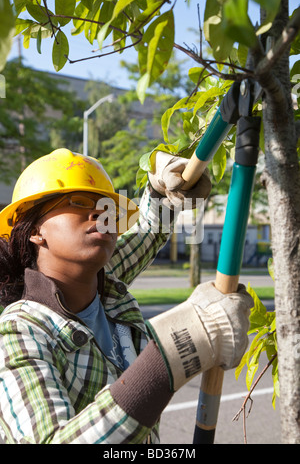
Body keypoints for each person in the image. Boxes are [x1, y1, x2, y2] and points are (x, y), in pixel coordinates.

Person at [0, 148, 253, 444]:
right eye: (79, 202)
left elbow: (148, 231)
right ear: (35, 230)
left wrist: (162, 191)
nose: (101, 214)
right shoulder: (19, 331)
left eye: (108, 207)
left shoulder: (104, 281)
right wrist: (175, 351)